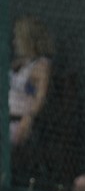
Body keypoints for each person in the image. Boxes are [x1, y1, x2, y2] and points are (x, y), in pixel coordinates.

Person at [9, 16, 55, 146]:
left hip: (17, 122)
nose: (15, 42)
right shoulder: (23, 62)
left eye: (17, 38)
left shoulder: (42, 65)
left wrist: (28, 118)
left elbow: (40, 98)